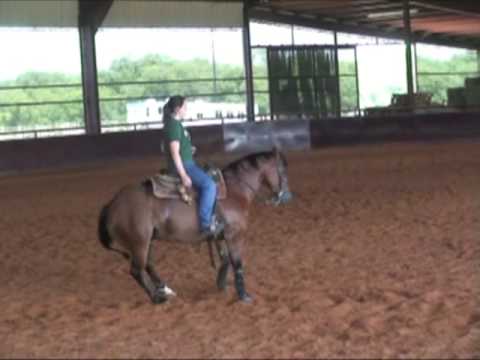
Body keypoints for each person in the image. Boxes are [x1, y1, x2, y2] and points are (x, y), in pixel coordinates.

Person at [163, 95, 221, 238]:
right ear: (178, 109)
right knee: (209, 185)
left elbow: (180, 148)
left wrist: (189, 149)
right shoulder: (173, 126)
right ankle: (205, 224)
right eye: (185, 107)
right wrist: (183, 175)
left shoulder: (175, 124)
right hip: (184, 166)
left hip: (187, 162)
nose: (186, 109)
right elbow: (175, 153)